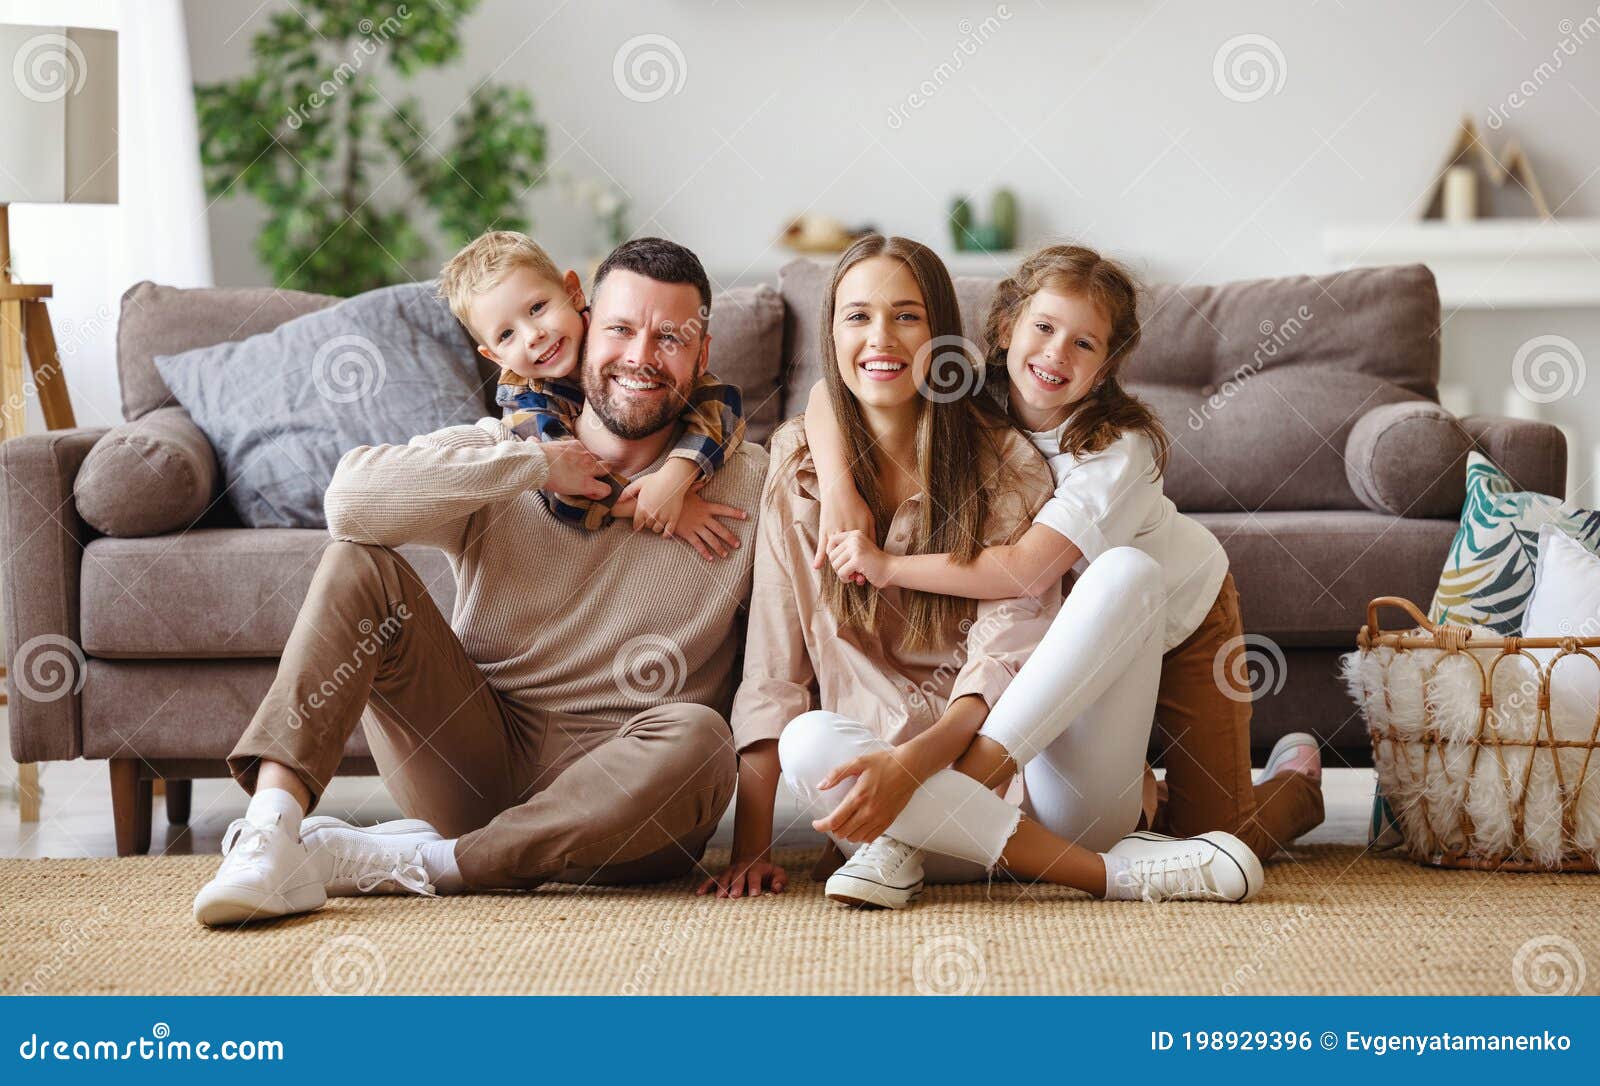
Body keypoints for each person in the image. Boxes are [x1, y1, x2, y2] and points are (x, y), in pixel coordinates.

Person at [192, 238, 764, 927]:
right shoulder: (506, 449)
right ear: (587, 327)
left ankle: (436, 862)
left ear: (702, 355)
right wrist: (531, 467)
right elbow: (349, 504)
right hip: (472, 761)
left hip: (633, 799)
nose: (641, 356)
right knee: (357, 562)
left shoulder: (752, 481)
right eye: (620, 329)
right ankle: (269, 835)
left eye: (670, 337)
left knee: (702, 737)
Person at [705, 234, 1262, 912]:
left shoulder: (1014, 456)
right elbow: (773, 664)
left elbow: (1016, 613)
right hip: (880, 806)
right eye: (857, 316)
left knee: (1126, 574)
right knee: (806, 740)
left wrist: (922, 762)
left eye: (907, 316)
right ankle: (1104, 867)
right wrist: (752, 849)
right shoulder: (799, 465)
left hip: (1028, 777)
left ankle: (1156, 844)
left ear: (941, 335)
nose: (882, 335)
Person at [816, 244, 1326, 879]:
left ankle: (1297, 789)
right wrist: (839, 490)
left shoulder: (1116, 449)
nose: (1056, 354)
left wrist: (888, 568)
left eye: (1085, 345)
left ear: (1109, 365)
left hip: (1179, 618)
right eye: (1045, 328)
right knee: (1109, 806)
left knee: (1219, 835)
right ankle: (1138, 808)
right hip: (1072, 632)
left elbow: (1026, 570)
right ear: (1006, 329)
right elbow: (825, 395)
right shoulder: (973, 396)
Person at [439, 229, 746, 552]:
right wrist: (659, 507)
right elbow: (571, 489)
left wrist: (676, 476)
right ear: (496, 357)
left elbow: (722, 403)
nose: (533, 336)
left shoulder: (612, 325)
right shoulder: (525, 403)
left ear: (573, 293)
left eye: (537, 308)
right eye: (506, 335)